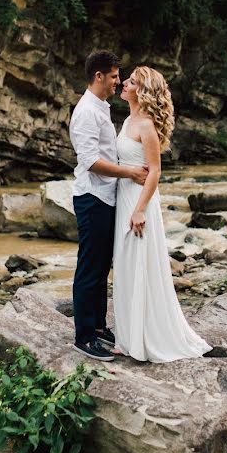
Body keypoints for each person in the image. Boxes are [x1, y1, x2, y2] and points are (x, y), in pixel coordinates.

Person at [112, 67, 212, 362]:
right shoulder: (129, 119)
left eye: (130, 82)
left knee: (139, 265)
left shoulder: (146, 125)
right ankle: (128, 338)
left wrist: (140, 210)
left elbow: (155, 171)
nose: (124, 84)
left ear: (141, 91)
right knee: (126, 267)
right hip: (124, 198)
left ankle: (145, 340)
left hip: (139, 203)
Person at [69, 50, 148, 361]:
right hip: (92, 197)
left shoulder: (101, 106)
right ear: (99, 76)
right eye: (114, 76)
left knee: (101, 266)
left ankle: (99, 326)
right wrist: (129, 171)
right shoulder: (86, 111)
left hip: (106, 196)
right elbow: (90, 161)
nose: (118, 81)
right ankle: (84, 336)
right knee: (89, 268)